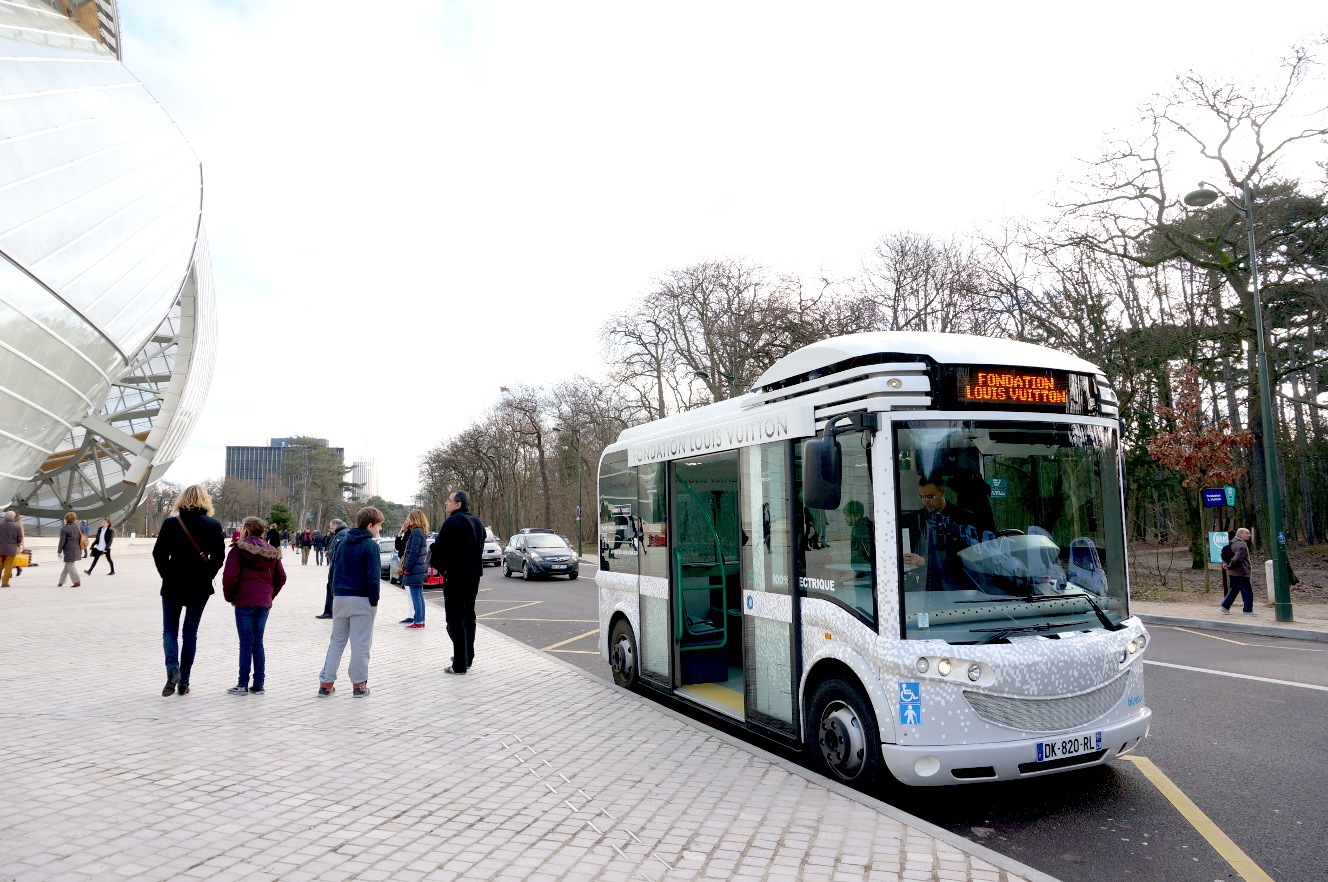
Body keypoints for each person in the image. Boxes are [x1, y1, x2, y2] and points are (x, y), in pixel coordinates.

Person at [152, 484, 226, 696]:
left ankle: (172, 668)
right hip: (199, 585)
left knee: (170, 630)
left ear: (181, 500)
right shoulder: (213, 525)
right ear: (205, 501)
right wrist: (207, 574)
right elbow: (219, 557)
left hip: (173, 582)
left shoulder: (171, 523)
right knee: (190, 632)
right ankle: (184, 681)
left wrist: (166, 575)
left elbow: (158, 553)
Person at [318, 506, 384, 697]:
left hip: (340, 597)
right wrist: (374, 601)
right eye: (378, 525)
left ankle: (326, 684)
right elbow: (373, 577)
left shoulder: (342, 542)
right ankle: (359, 686)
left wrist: (334, 596)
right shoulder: (371, 546)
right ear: (370, 525)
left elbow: (334, 571)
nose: (379, 529)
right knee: (360, 644)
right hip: (361, 599)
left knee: (336, 642)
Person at [222, 517, 287, 694]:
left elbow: (230, 577)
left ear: (246, 530)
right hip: (263, 601)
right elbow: (281, 577)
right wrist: (269, 595)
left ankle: (242, 683)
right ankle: (259, 683)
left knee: (246, 643)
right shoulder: (272, 552)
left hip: (244, 601)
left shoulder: (238, 550)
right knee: (258, 643)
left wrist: (230, 597)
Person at [430, 491, 485, 674]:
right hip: (473, 577)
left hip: (455, 576)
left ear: (458, 504)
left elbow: (439, 552)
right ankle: (467, 657)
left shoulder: (452, 522)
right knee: (469, 616)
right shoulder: (477, 522)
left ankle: (460, 663)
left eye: (449, 500)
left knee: (455, 619)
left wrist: (441, 567)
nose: (446, 503)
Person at [901, 477, 981, 592]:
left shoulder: (963, 519)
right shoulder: (915, 519)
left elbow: (968, 558)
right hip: (922, 584)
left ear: (942, 492)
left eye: (930, 497)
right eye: (921, 497)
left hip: (955, 586)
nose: (925, 502)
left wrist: (925, 561)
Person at [398, 509, 430, 628]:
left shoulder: (416, 532)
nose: (408, 520)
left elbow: (413, 552)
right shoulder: (421, 531)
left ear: (415, 519)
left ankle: (418, 621)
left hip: (414, 568)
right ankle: (420, 620)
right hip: (419, 568)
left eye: (410, 518)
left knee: (416, 596)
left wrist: (407, 568)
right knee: (419, 595)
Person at [1220, 527, 1256, 616]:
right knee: (1247, 591)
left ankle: (1225, 606)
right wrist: (1229, 565)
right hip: (1241, 572)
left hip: (1233, 572)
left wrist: (1226, 564)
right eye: (1247, 533)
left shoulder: (1232, 542)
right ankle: (1248, 610)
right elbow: (1237, 558)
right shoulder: (1241, 545)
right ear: (1240, 534)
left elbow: (1225, 554)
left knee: (1234, 589)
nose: (1249, 535)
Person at [316, 518, 349, 618]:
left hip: (337, 566)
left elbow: (337, 550)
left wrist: (328, 553)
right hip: (340, 566)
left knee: (331, 587)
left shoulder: (341, 534)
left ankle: (329, 611)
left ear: (336, 525)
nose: (331, 530)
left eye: (331, 527)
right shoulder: (344, 532)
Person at [56, 512, 82, 587]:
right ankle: (61, 582)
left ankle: (77, 581)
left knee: (70, 565)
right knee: (68, 565)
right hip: (77, 548)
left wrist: (59, 551)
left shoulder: (64, 528)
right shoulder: (78, 527)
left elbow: (62, 541)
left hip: (68, 550)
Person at [0, 508, 24, 587]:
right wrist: (17, 544)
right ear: (13, 517)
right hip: (11, 549)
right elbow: (20, 538)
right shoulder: (16, 526)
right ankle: (5, 583)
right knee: (8, 567)